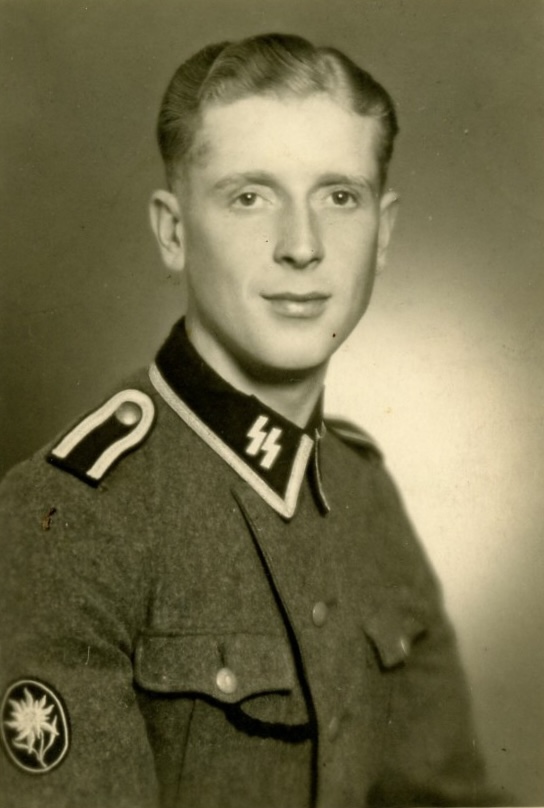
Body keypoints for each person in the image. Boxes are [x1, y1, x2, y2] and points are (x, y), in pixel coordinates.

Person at [0, 33, 504, 808]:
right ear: (174, 233)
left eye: (339, 196)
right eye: (249, 197)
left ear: (383, 234)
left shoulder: (364, 492)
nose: (302, 246)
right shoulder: (67, 523)